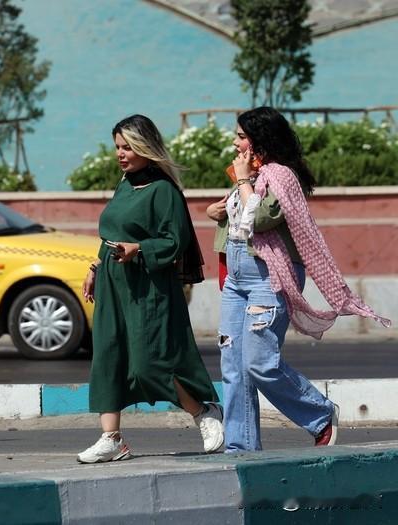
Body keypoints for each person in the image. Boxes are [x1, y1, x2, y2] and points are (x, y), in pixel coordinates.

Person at [207, 106, 390, 452]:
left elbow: (260, 218)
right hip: (236, 280)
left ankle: (320, 414)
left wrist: (243, 181)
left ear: (260, 140)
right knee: (233, 365)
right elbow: (239, 223)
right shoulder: (249, 175)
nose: (234, 142)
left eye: (241, 136)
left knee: (259, 363)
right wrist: (215, 211)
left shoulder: (280, 176)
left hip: (267, 278)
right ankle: (240, 448)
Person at [77, 115, 224, 464]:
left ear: (146, 147)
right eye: (117, 147)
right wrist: (96, 267)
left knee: (149, 362)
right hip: (114, 283)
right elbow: (110, 232)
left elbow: (175, 241)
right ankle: (111, 438)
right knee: (109, 356)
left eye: (128, 146)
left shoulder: (164, 191)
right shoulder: (125, 185)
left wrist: (139, 249)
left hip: (149, 287)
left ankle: (203, 412)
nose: (121, 154)